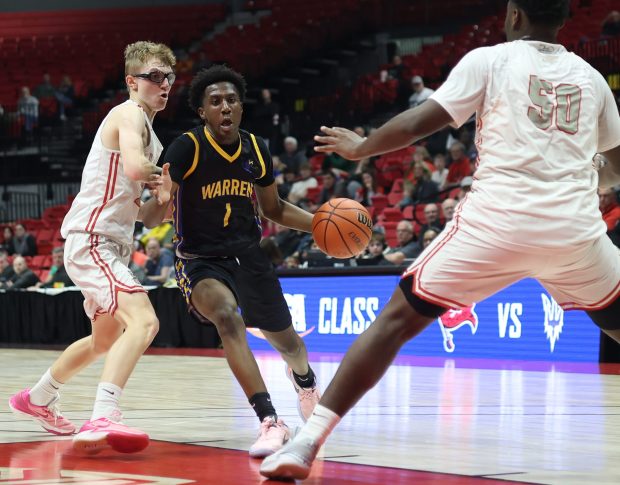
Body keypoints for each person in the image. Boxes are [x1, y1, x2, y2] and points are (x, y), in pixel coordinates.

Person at [260, 0, 620, 478]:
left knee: (394, 322)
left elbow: (415, 124)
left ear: (513, 15)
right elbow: (614, 167)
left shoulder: (490, 59)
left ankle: (304, 444)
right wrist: (594, 183)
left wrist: (362, 147)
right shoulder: (593, 79)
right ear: (565, 19)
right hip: (573, 231)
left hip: (497, 223)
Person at [9, 41, 176, 455]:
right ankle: (103, 413)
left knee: (104, 340)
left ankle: (38, 398)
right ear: (131, 82)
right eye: (154, 76)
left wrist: (167, 196)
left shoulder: (151, 137)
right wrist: (166, 176)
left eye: (169, 77)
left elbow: (149, 218)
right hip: (93, 239)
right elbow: (137, 168)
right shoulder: (127, 113)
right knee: (145, 322)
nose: (164, 83)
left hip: (112, 245)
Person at [146, 65, 321, 458]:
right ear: (202, 112)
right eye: (215, 102)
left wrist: (320, 225)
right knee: (227, 316)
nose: (224, 107)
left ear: (241, 108)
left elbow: (273, 208)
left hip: (249, 256)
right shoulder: (186, 148)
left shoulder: (257, 148)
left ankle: (305, 382)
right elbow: (157, 212)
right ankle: (269, 419)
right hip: (200, 261)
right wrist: (154, 203)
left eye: (230, 100)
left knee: (290, 345)